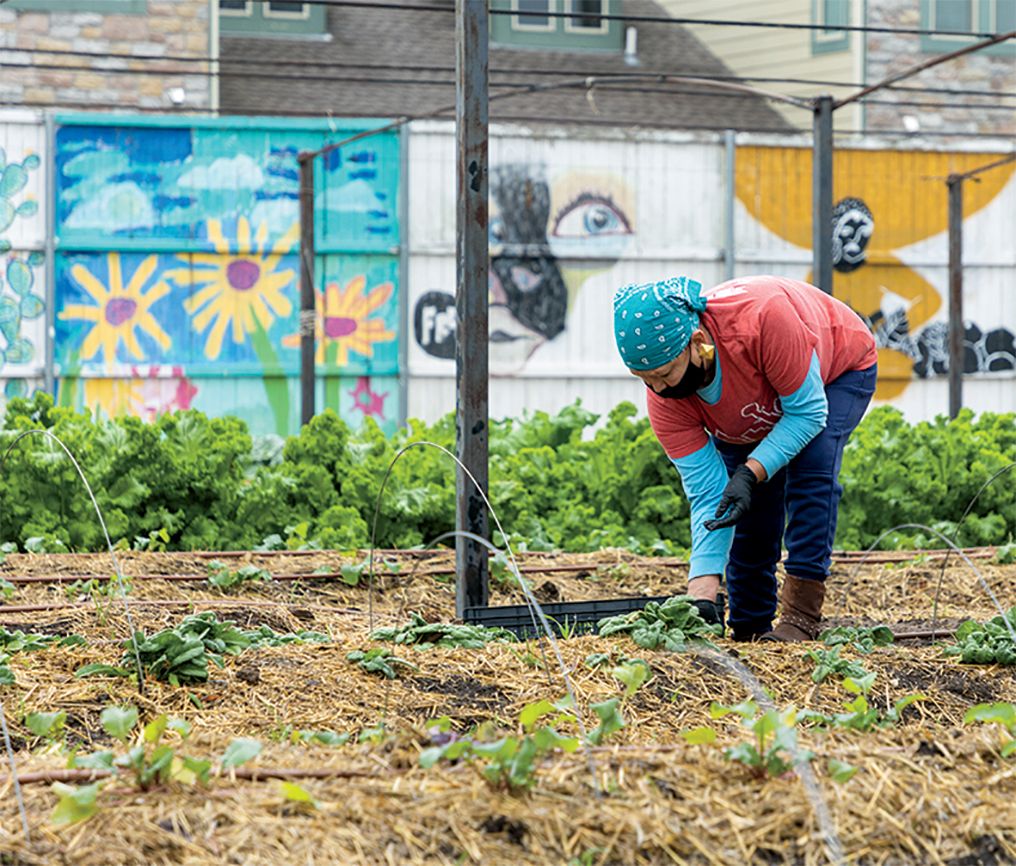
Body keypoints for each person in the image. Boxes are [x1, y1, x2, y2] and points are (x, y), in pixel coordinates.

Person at [612, 275, 878, 641]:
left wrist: (751, 471)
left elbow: (808, 413)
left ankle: (800, 618)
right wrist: (700, 596)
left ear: (697, 342)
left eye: (663, 374)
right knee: (748, 507)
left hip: (838, 371)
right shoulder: (665, 403)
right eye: (644, 379)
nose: (658, 389)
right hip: (751, 403)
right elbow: (709, 495)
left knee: (810, 472)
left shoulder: (763, 321)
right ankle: (750, 627)